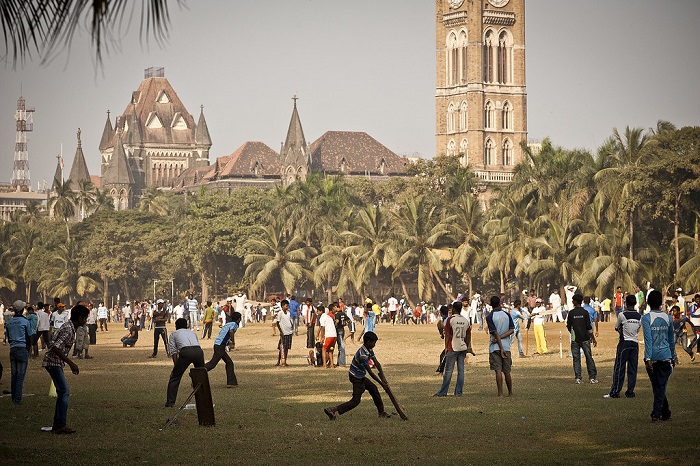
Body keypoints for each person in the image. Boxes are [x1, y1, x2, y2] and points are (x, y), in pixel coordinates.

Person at [43, 304, 89, 434]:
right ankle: (60, 425)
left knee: (62, 391)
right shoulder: (68, 330)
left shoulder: (70, 327)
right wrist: (71, 363)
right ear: (80, 318)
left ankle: (58, 424)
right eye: (85, 318)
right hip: (53, 362)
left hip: (55, 362)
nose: (86, 321)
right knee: (64, 391)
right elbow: (56, 347)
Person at [323, 331, 391, 420]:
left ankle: (381, 413)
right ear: (368, 342)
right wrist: (382, 384)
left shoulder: (369, 349)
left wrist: (383, 377)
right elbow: (370, 372)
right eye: (373, 342)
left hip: (360, 376)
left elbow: (377, 363)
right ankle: (332, 409)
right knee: (355, 401)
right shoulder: (363, 354)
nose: (374, 344)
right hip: (356, 377)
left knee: (374, 389)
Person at [641, 290, 675, 422]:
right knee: (659, 386)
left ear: (648, 302)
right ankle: (666, 413)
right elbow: (671, 339)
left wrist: (648, 358)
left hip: (653, 357)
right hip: (666, 356)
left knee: (659, 386)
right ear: (661, 302)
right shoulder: (667, 317)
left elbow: (648, 340)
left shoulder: (646, 318)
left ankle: (656, 413)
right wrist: (673, 356)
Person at [604, 294, 641, 399]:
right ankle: (630, 392)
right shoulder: (639, 316)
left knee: (619, 368)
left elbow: (617, 327)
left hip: (624, 343)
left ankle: (615, 392)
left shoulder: (621, 314)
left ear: (626, 303)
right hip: (635, 343)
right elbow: (638, 329)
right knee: (633, 369)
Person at [433, 301, 472, 397]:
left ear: (453, 309)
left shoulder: (451, 320)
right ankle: (458, 392)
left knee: (449, 371)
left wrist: (446, 347)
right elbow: (468, 335)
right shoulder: (465, 321)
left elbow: (447, 335)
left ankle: (443, 392)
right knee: (461, 371)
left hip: (453, 347)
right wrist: (466, 346)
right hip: (462, 347)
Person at [165, 318, 205, 407]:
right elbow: (197, 344)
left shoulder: (173, 334)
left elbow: (173, 351)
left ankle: (170, 402)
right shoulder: (192, 333)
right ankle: (204, 401)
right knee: (202, 377)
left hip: (186, 352)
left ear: (176, 326)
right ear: (186, 325)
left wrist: (176, 367)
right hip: (198, 351)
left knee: (175, 378)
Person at [486, 296, 515, 396]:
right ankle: (510, 392)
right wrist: (503, 341)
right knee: (507, 371)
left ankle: (500, 393)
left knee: (498, 370)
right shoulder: (507, 314)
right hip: (507, 346)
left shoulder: (490, 316)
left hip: (495, 347)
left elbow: (495, 333)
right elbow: (512, 330)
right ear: (499, 303)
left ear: (491, 305)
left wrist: (500, 345)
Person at [566, 293, 598, 384]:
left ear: (576, 302)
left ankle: (578, 378)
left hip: (575, 339)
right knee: (589, 357)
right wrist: (593, 339)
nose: (572, 302)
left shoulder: (571, 313)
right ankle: (592, 378)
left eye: (573, 300)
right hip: (585, 339)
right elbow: (589, 327)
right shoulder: (585, 312)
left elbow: (568, 326)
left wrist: (573, 334)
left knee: (576, 359)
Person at [205, 312, 241, 387]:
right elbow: (231, 332)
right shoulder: (234, 324)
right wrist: (233, 342)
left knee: (229, 362)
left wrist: (228, 342)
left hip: (218, 345)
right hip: (220, 346)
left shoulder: (228, 324)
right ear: (239, 319)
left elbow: (224, 334)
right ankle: (196, 373)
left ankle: (232, 383)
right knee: (212, 364)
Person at [6, 300, 30, 405]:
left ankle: (13, 398)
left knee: (14, 375)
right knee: (21, 375)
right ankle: (18, 400)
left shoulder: (9, 322)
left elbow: (9, 339)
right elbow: (29, 336)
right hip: (22, 348)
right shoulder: (25, 321)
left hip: (13, 349)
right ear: (22, 309)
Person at [274, 299, 294, 367]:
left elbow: (290, 321)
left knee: (287, 348)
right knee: (282, 348)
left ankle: (285, 361)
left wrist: (292, 329)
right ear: (282, 306)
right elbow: (278, 323)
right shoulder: (280, 313)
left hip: (289, 332)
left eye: (287, 306)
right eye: (286, 306)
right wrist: (281, 332)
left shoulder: (288, 313)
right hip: (284, 333)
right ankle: (279, 361)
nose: (287, 307)